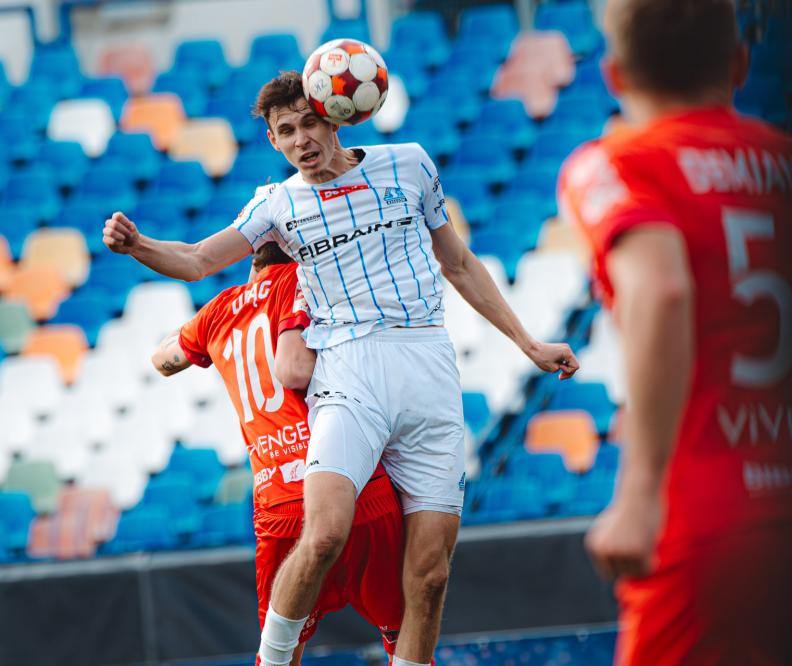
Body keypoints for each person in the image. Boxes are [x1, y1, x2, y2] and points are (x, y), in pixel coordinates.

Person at [105, 71, 580, 666]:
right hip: (351, 372)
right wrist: (139, 246)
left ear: (334, 117)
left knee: (429, 579)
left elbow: (457, 263)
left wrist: (528, 343)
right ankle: (272, 662)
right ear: (275, 143)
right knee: (325, 533)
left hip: (429, 368)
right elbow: (200, 259)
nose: (300, 139)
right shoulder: (277, 205)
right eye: (285, 132)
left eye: (308, 123)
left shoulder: (408, 164)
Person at [558, 0, 792, 663]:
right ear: (739, 62)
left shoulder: (619, 164)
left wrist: (640, 495)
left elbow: (663, 289)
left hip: (706, 514)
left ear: (615, 76)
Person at [150, 241, 406, 666]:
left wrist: (206, 333)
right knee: (406, 639)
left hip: (280, 502)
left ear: (252, 259)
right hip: (357, 486)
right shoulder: (311, 281)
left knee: (281, 654)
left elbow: (162, 360)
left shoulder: (218, 311)